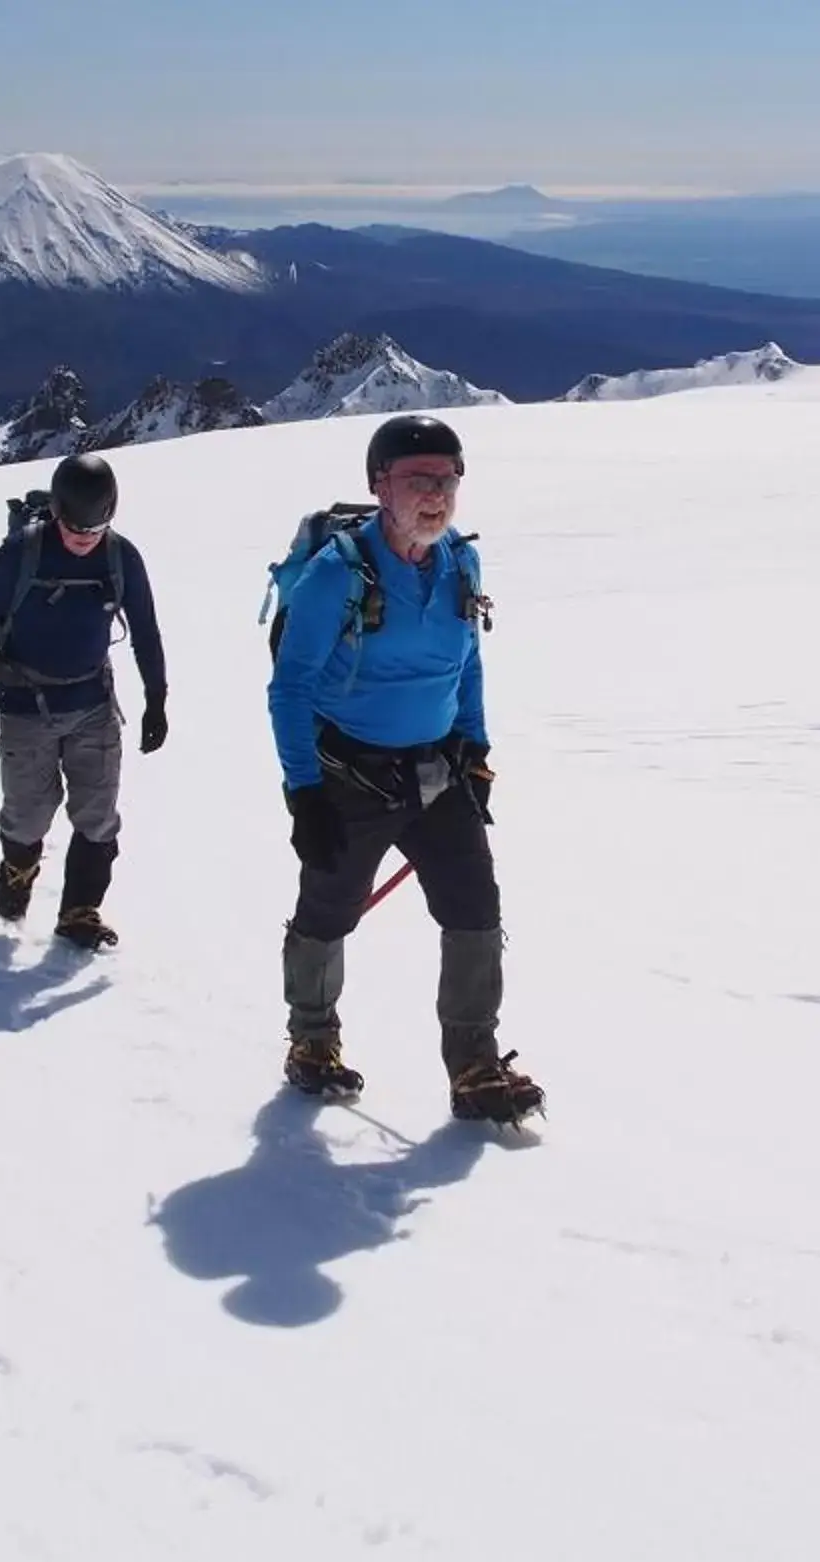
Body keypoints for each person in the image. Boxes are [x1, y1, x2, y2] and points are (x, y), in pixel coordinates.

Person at [265, 414, 543, 1126]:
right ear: (379, 485)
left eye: (447, 480)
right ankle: (312, 1044)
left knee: (475, 909)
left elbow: (467, 663)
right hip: (350, 777)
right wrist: (305, 794)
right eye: (418, 479)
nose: (436, 494)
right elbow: (290, 688)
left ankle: (476, 1066)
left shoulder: (460, 563)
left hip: (438, 770)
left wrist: (475, 752)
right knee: (328, 911)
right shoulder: (337, 577)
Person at [0, 452, 170, 950]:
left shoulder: (121, 557)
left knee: (97, 815)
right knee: (28, 814)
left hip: (92, 702)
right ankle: (18, 870)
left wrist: (156, 697)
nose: (84, 540)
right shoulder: (19, 554)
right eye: (76, 530)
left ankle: (80, 910)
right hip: (24, 704)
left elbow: (145, 630)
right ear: (56, 512)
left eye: (95, 531)